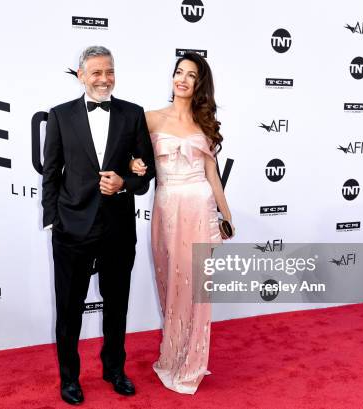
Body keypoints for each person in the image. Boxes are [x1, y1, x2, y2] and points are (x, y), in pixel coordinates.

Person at [41, 45, 155, 405]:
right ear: (81, 75)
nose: (104, 79)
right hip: (72, 228)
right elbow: (51, 173)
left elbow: (145, 173)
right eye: (96, 73)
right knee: (69, 309)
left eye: (109, 72)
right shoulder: (60, 116)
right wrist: (52, 221)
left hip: (118, 228)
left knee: (117, 304)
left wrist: (124, 182)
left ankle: (114, 369)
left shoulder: (133, 114)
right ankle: (69, 378)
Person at [130, 52, 234, 394]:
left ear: (199, 84)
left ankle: (191, 364)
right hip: (166, 205)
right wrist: (134, 166)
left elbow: (213, 176)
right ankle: (172, 356)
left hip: (200, 207)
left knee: (196, 291)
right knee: (170, 284)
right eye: (179, 72)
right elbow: (133, 157)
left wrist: (226, 215)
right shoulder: (150, 118)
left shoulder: (203, 125)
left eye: (191, 75)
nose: (182, 79)